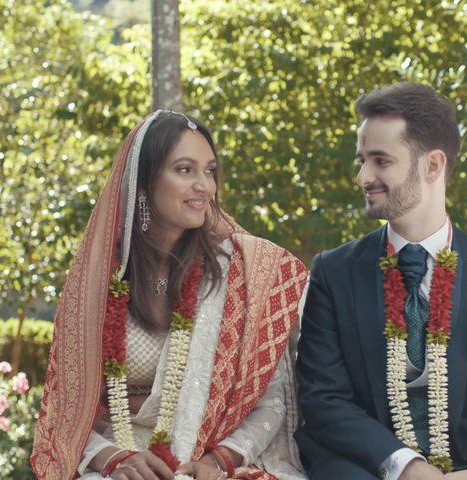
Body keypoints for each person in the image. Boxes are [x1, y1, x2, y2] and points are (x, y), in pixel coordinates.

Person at [295, 82, 467, 480]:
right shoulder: (334, 272)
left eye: (380, 161)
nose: (362, 176)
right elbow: (323, 398)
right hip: (370, 465)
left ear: (433, 165)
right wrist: (407, 467)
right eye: (362, 160)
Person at [31, 111, 309, 480]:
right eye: (184, 170)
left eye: (209, 171)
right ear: (143, 184)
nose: (205, 186)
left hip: (212, 462)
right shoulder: (98, 281)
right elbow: (68, 409)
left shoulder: (242, 273)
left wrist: (220, 460)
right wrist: (113, 458)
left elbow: (271, 401)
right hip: (122, 464)